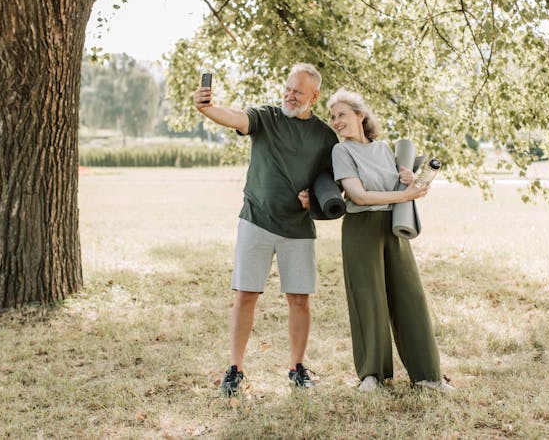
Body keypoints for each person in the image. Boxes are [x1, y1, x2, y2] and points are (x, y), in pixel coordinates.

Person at [193, 63, 338, 396]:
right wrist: (208, 107)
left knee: (299, 299)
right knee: (246, 295)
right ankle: (235, 369)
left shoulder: (325, 137)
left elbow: (332, 183)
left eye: (298, 91)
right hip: (255, 220)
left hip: (297, 229)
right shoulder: (266, 117)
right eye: (287, 88)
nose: (289, 95)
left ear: (313, 96)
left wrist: (312, 200)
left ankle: (297, 368)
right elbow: (236, 118)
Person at [327, 88, 454, 393]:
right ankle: (373, 375)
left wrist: (409, 180)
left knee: (410, 297)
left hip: (393, 226)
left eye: (341, 114)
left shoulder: (385, 149)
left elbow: (397, 185)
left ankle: (428, 376)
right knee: (368, 299)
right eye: (332, 117)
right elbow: (358, 195)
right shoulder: (341, 152)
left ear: (360, 115)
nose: (336, 121)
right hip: (360, 226)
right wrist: (406, 194)